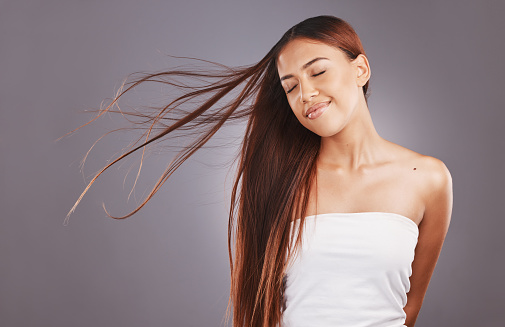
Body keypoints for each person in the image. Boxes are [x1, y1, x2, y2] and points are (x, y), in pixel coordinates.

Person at [65, 15, 452, 327]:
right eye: (291, 86)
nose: (307, 95)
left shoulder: (429, 180)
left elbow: (408, 311)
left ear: (360, 69)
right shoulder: (278, 182)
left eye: (317, 72)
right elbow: (263, 312)